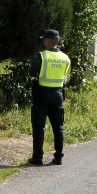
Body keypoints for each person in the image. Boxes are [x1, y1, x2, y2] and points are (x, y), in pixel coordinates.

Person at [28, 29, 71, 165]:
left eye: (44, 39)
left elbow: (32, 73)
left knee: (39, 126)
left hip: (42, 94)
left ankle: (38, 157)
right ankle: (59, 157)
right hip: (58, 94)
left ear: (47, 41)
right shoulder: (66, 58)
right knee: (58, 127)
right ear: (57, 42)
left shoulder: (41, 56)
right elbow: (65, 77)